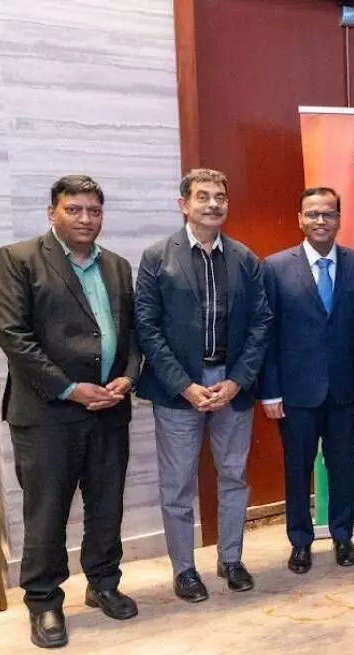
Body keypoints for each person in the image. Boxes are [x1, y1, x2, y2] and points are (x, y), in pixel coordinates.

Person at [0, 175, 141, 648]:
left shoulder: (116, 265)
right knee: (47, 512)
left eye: (93, 211)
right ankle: (44, 603)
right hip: (48, 414)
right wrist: (71, 389)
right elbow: (14, 337)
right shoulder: (18, 259)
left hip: (109, 409)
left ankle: (102, 585)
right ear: (52, 212)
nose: (85, 219)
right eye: (74, 210)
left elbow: (132, 334)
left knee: (106, 505)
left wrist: (129, 376)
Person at [135, 168, 272, 602]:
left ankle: (231, 558)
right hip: (178, 391)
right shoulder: (157, 256)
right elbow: (147, 327)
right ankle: (185, 569)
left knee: (233, 476)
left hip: (231, 385)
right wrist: (184, 386)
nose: (213, 204)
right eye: (203, 197)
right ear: (184, 204)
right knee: (177, 484)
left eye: (220, 197)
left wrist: (236, 381)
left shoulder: (245, 258)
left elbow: (261, 324)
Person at [260, 187, 354, 573]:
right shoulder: (274, 267)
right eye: (312, 214)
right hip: (295, 393)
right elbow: (267, 335)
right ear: (300, 219)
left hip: (344, 389)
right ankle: (301, 542)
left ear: (340, 219)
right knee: (297, 469)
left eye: (328, 214)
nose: (320, 221)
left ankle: (343, 537)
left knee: (343, 466)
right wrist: (270, 390)